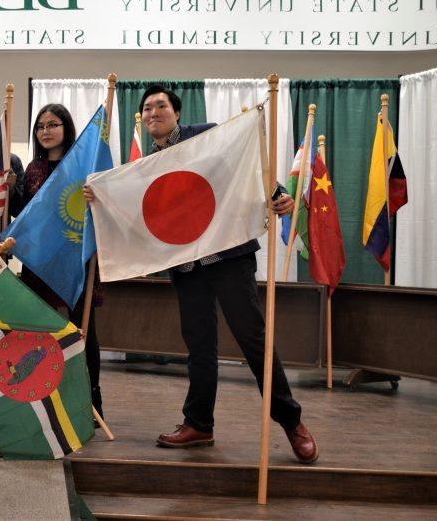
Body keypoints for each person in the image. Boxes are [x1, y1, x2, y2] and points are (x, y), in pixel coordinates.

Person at [84, 84, 318, 464]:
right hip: (187, 266)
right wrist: (100, 196)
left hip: (227, 258)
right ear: (142, 120)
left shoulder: (204, 136)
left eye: (161, 105)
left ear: (176, 113)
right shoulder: (143, 167)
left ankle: (292, 422)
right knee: (200, 348)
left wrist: (277, 192)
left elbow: (245, 166)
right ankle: (199, 424)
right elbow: (130, 207)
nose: (153, 111)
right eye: (147, 108)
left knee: (253, 340)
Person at [16, 103, 104, 419]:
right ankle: (42, 401)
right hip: (40, 260)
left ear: (66, 127)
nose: (46, 131)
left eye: (52, 124)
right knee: (39, 334)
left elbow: (100, 212)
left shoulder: (84, 166)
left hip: (77, 258)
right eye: (40, 127)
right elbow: (24, 215)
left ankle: (92, 404)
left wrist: (98, 196)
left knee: (84, 333)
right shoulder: (32, 169)